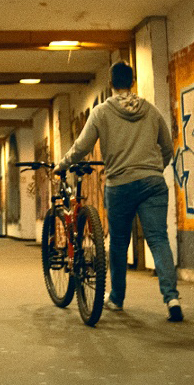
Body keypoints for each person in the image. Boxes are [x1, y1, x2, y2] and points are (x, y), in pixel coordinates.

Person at [58, 61, 181, 321]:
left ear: (111, 83)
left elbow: (82, 146)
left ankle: (117, 298)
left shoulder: (102, 112)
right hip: (152, 183)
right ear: (133, 81)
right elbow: (167, 147)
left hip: (120, 184)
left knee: (118, 243)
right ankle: (171, 299)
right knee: (158, 239)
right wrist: (155, 169)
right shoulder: (151, 110)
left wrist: (63, 164)